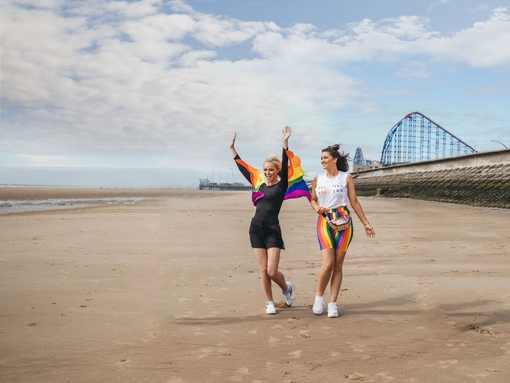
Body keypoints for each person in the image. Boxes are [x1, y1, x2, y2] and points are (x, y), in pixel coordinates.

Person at [230, 127, 310, 314]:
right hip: (256, 228)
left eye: (270, 170)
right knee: (264, 270)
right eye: (265, 169)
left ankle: (286, 288)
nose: (267, 172)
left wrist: (285, 144)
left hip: (273, 230)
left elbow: (285, 161)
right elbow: (243, 168)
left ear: (276, 171)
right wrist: (233, 150)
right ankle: (269, 302)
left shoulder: (282, 186)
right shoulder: (258, 183)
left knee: (273, 271)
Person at [310, 144, 376, 318]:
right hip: (325, 221)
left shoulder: (346, 178)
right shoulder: (318, 179)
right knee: (328, 264)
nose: (322, 160)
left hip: (344, 222)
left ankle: (332, 303)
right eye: (321, 158)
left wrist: (366, 223)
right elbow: (312, 199)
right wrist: (316, 207)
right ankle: (319, 297)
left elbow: (354, 202)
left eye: (325, 158)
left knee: (338, 265)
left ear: (334, 159)